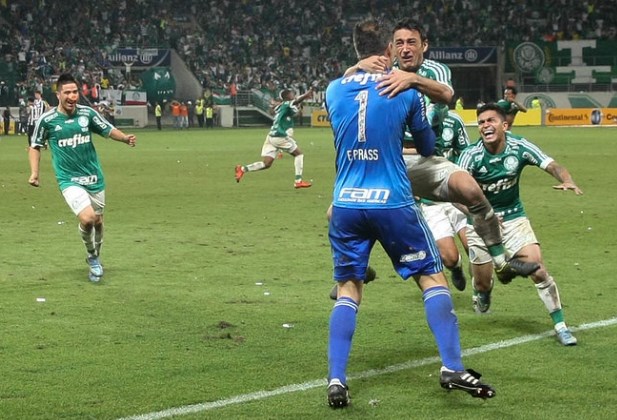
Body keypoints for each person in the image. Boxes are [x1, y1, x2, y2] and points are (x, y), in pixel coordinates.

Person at [324, 19, 495, 409]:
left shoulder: (333, 89)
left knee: (349, 290)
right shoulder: (403, 91)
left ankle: (336, 379)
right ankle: (451, 366)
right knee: (431, 279)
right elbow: (427, 144)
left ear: (354, 50)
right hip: (392, 201)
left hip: (346, 203)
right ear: (387, 48)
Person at [339, 18, 539, 284]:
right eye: (399, 43)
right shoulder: (383, 70)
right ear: (391, 47)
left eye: (411, 42)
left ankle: (501, 262)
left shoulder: (435, 70)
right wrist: (356, 66)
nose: (405, 49)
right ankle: (353, 269)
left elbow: (446, 95)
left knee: (469, 188)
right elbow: (343, 89)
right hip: (389, 160)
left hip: (426, 160)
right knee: (338, 211)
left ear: (424, 45)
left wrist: (412, 79)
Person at [458, 103, 580, 346]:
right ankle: (483, 291)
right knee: (482, 282)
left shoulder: (520, 146)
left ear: (504, 125)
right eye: (481, 122)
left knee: (538, 269)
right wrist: (481, 214)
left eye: (490, 120)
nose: (485, 126)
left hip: (514, 219)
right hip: (480, 223)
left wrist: (567, 180)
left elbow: (552, 164)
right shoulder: (470, 155)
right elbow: (455, 195)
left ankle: (560, 325)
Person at [27, 73, 137, 283]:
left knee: (98, 222)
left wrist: (125, 138)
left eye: (75, 92)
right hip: (68, 179)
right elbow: (35, 146)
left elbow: (107, 129)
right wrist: (34, 173)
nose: (72, 96)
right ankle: (92, 256)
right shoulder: (47, 120)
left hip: (94, 177)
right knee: (87, 219)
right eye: (67, 92)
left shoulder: (87, 114)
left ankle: (95, 256)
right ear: (58, 94)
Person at [417, 110, 471, 291]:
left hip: (455, 193)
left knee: (473, 247)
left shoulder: (454, 120)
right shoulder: (412, 118)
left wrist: (465, 185)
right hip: (430, 202)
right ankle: (456, 268)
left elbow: (466, 153)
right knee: (449, 258)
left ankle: (479, 293)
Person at [235, 87, 314, 189]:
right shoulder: (287, 103)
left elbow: (277, 110)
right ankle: (298, 181)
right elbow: (296, 101)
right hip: (279, 136)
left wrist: (276, 104)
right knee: (299, 154)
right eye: (291, 94)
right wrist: (306, 95)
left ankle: (242, 169)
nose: (293, 96)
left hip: (271, 136)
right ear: (287, 96)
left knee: (267, 163)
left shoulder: (281, 106)